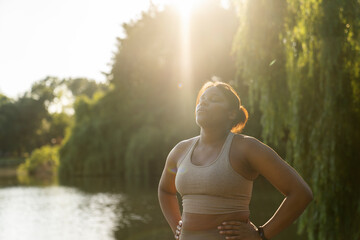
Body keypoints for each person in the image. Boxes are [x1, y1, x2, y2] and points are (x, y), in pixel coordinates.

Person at [158, 81, 313, 240]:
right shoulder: (180, 150)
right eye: (202, 99)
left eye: (213, 99)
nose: (203, 101)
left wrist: (261, 235)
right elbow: (165, 190)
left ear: (231, 113)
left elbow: (300, 193)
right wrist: (176, 225)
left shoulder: (247, 148)